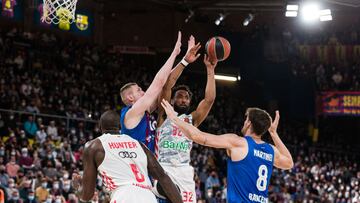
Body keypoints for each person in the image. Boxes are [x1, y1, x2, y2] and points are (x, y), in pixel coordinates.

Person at [161, 100, 294, 203]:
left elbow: (198, 137)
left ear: (249, 123)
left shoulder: (239, 143)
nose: (244, 122)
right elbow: (289, 163)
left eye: (246, 119)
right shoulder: (271, 150)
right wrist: (274, 134)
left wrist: (174, 119)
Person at [154, 35, 217, 203]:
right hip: (163, 168)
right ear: (172, 100)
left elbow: (209, 100)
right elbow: (168, 83)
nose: (183, 100)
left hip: (184, 172)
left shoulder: (192, 120)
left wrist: (210, 70)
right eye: (180, 96)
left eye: (186, 98)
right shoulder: (164, 113)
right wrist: (185, 62)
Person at [71, 110, 183, 203]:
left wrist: (77, 187)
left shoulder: (94, 146)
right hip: (148, 197)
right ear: (120, 126)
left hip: (123, 196)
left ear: (100, 128)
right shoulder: (139, 144)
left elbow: (86, 195)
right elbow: (163, 177)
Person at [119, 31, 182, 153]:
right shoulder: (132, 113)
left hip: (149, 165)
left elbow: (165, 83)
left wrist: (184, 61)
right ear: (130, 97)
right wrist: (174, 53)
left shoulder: (144, 111)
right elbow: (158, 83)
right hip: (136, 167)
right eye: (139, 90)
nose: (143, 92)